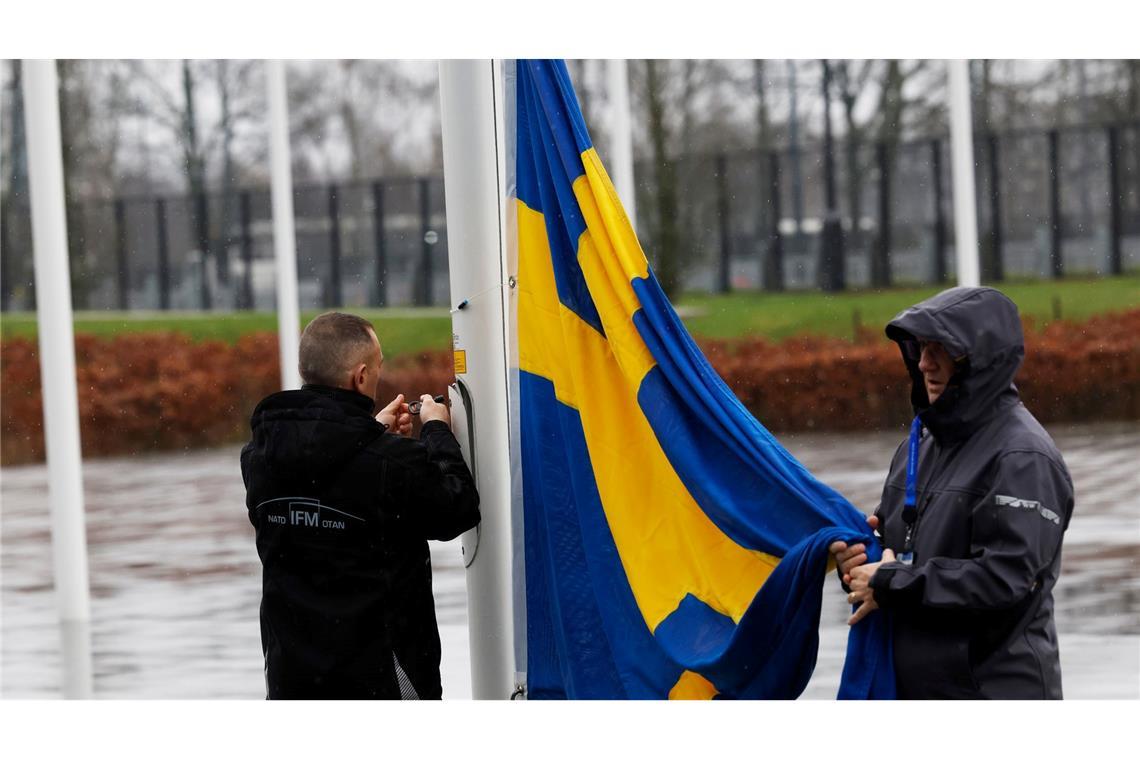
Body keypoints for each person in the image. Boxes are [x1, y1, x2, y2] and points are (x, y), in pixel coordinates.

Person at [828, 287, 1074, 699]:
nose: (925, 363)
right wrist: (858, 563)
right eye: (921, 347)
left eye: (941, 349)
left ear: (982, 359)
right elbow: (893, 551)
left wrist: (893, 582)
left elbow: (1005, 580)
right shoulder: (919, 443)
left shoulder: (1024, 457)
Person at [241, 312, 480, 699]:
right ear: (361, 376)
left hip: (293, 682)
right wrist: (436, 430)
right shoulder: (389, 465)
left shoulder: (259, 457)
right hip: (381, 684)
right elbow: (458, 508)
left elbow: (323, 475)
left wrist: (371, 432)